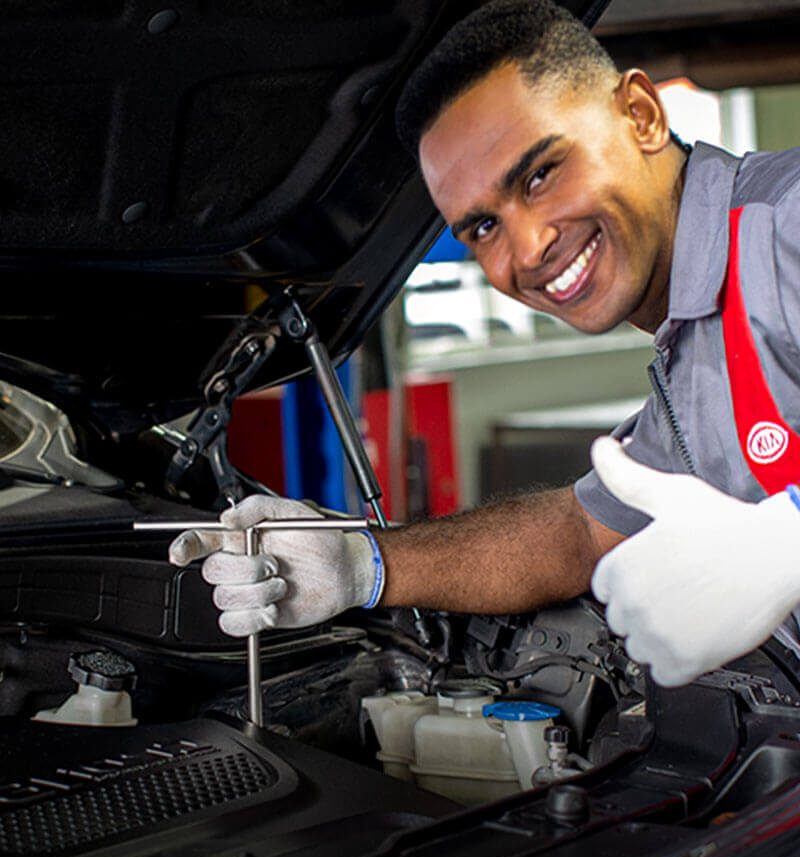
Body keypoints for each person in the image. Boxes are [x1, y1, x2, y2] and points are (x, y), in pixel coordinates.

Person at [169, 0, 800, 688]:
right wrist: (362, 564)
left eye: (540, 174)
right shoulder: (693, 352)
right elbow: (579, 535)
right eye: (482, 228)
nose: (527, 249)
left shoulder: (783, 225)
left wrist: (787, 539)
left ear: (642, 116)